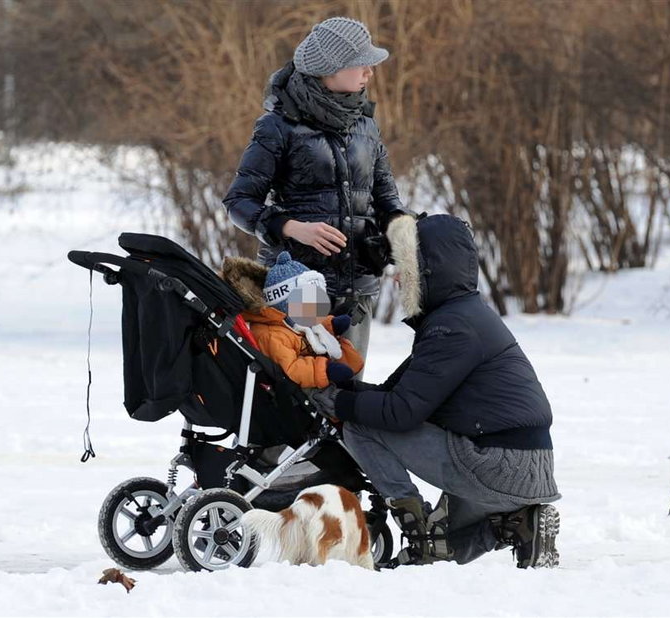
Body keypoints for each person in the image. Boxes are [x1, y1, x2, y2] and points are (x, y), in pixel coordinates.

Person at [325, 214, 562, 568]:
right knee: (445, 548)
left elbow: (400, 412)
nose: (399, 278)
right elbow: (395, 393)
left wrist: (338, 404)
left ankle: (419, 533)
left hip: (498, 463)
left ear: (430, 271)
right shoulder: (463, 316)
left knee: (360, 425)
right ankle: (517, 525)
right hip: (525, 463)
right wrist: (344, 389)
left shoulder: (451, 328)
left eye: (407, 267)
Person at [222, 16, 414, 373]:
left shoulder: (366, 126)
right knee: (301, 394)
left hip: (358, 288)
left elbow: (389, 204)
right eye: (361, 62)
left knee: (346, 394)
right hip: (299, 288)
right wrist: (291, 227)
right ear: (330, 67)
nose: (370, 71)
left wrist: (405, 251)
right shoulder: (277, 127)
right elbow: (239, 202)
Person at [222, 251, 363, 390]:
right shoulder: (272, 335)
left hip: (322, 385)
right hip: (305, 393)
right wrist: (325, 370)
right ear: (286, 303)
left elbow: (311, 329)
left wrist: (331, 326)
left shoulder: (294, 321)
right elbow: (291, 368)